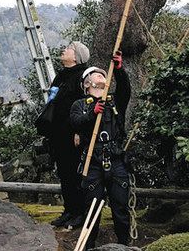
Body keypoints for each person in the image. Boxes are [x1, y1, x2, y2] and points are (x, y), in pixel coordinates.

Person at [70, 54, 132, 247]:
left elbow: (125, 90)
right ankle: (88, 246)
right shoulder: (79, 105)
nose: (102, 77)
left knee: (120, 208)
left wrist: (119, 70)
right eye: (98, 75)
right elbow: (75, 123)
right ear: (87, 83)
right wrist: (92, 113)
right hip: (92, 160)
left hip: (116, 159)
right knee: (91, 209)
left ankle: (124, 245)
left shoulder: (114, 101)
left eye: (104, 75)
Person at [46, 41, 91, 229]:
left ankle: (80, 212)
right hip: (58, 133)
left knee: (75, 173)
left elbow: (85, 104)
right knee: (64, 172)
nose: (64, 50)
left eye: (69, 49)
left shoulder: (82, 77)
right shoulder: (61, 76)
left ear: (77, 57)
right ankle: (69, 210)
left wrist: (79, 131)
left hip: (73, 134)